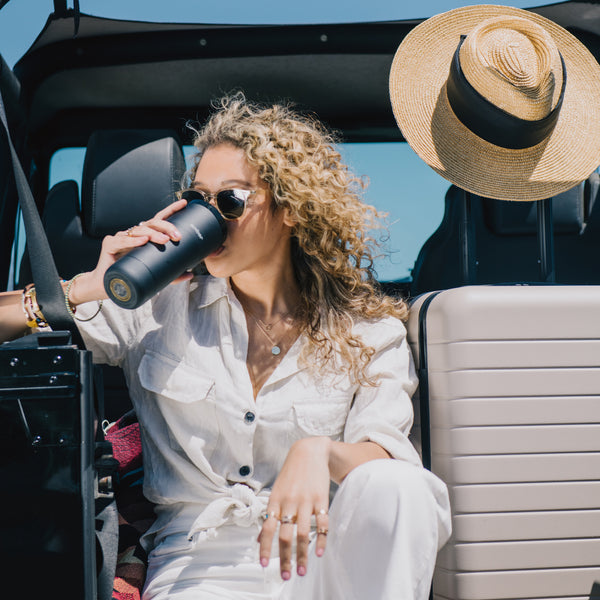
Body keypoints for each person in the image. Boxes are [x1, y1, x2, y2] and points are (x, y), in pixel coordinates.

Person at [0, 93, 451, 600]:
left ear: (292, 211)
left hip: (323, 558)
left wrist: (320, 454)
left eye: (230, 202)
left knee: (403, 486)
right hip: (200, 564)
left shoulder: (368, 331)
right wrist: (85, 287)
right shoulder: (156, 307)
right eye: (199, 200)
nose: (210, 218)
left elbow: (386, 456)